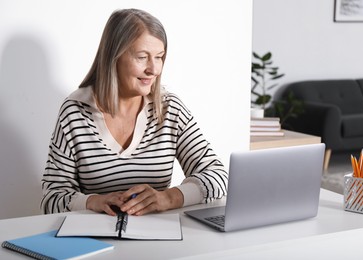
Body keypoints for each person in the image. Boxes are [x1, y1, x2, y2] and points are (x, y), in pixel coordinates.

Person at [41, 9, 228, 216]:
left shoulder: (169, 109)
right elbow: (51, 198)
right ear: (114, 57)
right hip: (94, 242)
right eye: (142, 57)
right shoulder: (75, 111)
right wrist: (93, 201)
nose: (154, 69)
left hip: (159, 238)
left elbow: (218, 176)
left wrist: (169, 197)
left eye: (159, 57)